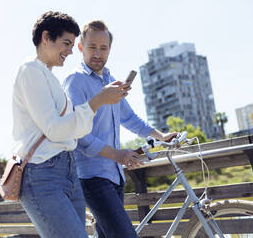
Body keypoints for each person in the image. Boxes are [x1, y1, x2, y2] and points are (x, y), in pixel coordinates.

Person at [12, 12, 130, 238]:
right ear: (46, 37)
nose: (69, 50)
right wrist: (98, 101)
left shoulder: (50, 79)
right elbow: (55, 129)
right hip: (42, 173)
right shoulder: (30, 71)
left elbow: (73, 130)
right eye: (66, 43)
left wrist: (94, 106)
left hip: (67, 172)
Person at [63, 20, 178, 238]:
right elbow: (78, 134)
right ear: (80, 47)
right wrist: (118, 154)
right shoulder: (75, 81)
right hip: (92, 177)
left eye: (103, 48)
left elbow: (129, 118)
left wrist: (161, 136)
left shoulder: (111, 81)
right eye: (92, 47)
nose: (98, 53)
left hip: (115, 176)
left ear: (110, 50)